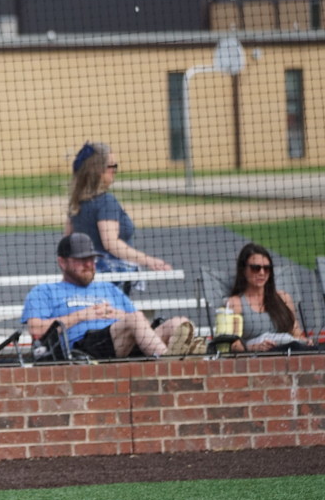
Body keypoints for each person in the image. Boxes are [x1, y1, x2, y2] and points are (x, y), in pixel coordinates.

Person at [21, 233, 201, 360]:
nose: (89, 264)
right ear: (62, 262)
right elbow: (37, 330)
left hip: (124, 343)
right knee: (135, 319)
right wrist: (82, 315)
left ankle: (177, 360)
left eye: (91, 259)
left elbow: (140, 323)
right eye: (81, 260)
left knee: (179, 323)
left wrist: (116, 314)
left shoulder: (108, 289)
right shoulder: (44, 291)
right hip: (85, 348)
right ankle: (171, 363)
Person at [66, 142, 171, 293]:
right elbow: (111, 243)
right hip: (111, 283)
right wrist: (150, 261)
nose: (115, 171)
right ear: (99, 171)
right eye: (112, 166)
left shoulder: (77, 203)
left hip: (85, 281)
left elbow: (68, 242)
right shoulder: (106, 201)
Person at [225, 243, 315, 353]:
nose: (262, 273)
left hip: (289, 350)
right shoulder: (235, 303)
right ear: (243, 270)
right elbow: (232, 345)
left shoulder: (283, 298)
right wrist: (254, 348)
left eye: (267, 268)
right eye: (255, 268)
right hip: (258, 358)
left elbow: (296, 333)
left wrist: (305, 341)